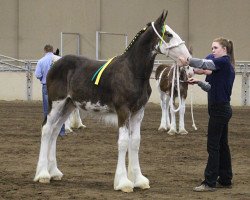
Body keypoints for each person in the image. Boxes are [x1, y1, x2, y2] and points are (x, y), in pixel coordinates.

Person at [179, 37, 235, 192]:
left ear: (224, 49)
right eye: (212, 48)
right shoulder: (221, 67)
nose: (213, 50)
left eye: (215, 47)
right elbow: (209, 87)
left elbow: (204, 64)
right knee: (222, 145)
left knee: (213, 146)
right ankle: (225, 178)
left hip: (219, 110)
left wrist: (187, 60)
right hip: (221, 110)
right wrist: (198, 82)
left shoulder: (223, 62)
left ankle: (209, 182)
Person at [35, 44, 65, 137]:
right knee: (60, 109)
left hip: (47, 86)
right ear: (52, 50)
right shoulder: (60, 59)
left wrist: (42, 78)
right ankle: (61, 131)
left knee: (47, 109)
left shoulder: (41, 61)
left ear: (44, 50)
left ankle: (48, 130)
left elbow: (38, 75)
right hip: (60, 86)